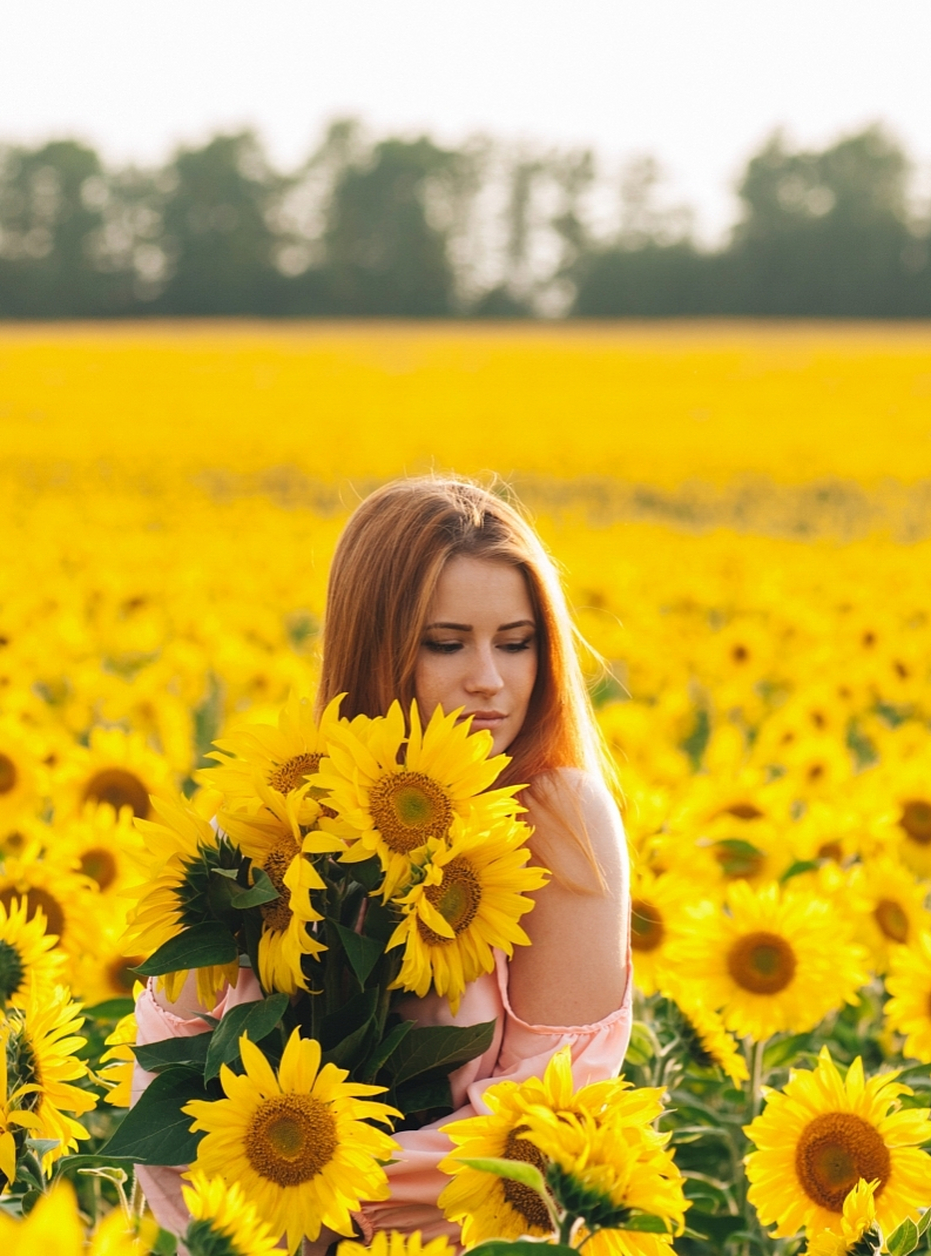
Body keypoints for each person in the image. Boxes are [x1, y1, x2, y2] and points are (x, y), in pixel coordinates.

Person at [133, 476, 632, 1249]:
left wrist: (327, 1186)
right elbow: (169, 1080)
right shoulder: (266, 820)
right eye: (445, 643)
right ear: (372, 644)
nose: (490, 680)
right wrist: (265, 1205)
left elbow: (550, 1117)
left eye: (516, 641)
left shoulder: (559, 820)